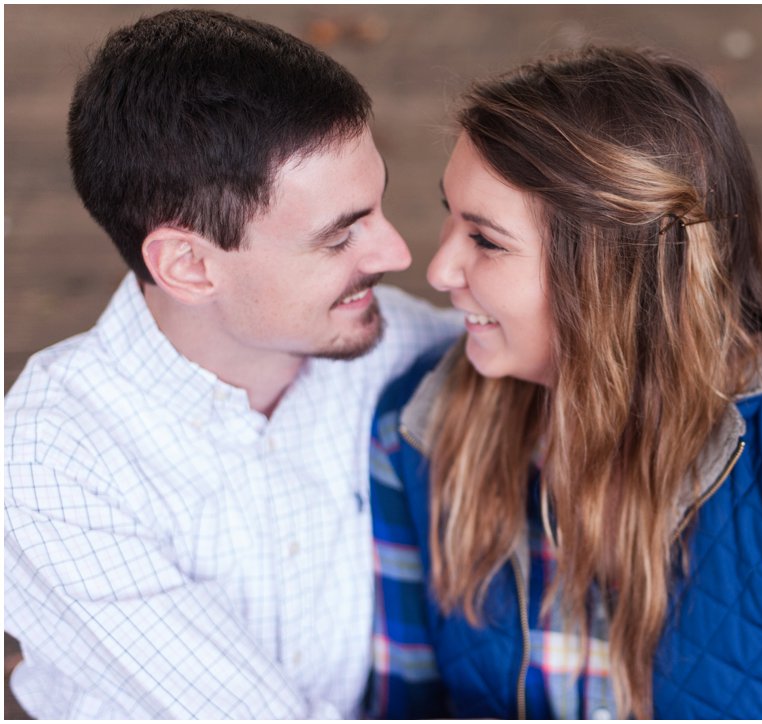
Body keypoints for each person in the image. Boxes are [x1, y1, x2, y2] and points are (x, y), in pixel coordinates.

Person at [367, 46, 762, 719]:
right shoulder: (415, 430)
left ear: (611, 275)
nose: (439, 269)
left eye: (485, 240)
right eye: (449, 213)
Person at [4, 9, 461, 719]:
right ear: (188, 266)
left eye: (375, 209)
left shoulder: (382, 339)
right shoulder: (51, 457)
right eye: (340, 236)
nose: (398, 254)